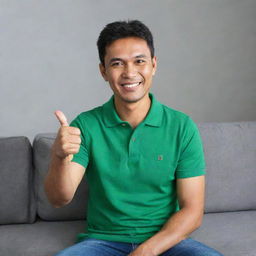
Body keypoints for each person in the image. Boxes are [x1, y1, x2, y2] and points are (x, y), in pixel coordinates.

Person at [45, 20, 223, 256]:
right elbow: (59, 199)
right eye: (117, 64)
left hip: (166, 241)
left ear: (153, 65)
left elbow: (192, 210)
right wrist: (59, 156)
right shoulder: (86, 125)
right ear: (103, 71)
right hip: (103, 242)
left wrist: (146, 252)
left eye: (139, 61)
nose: (130, 73)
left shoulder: (182, 127)